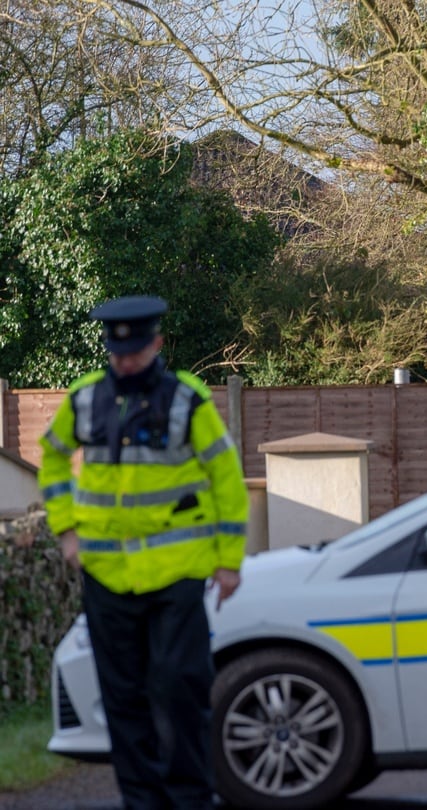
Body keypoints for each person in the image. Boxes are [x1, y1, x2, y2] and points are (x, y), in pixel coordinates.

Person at [38, 296, 248, 810]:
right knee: (123, 700)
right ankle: (142, 802)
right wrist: (66, 532)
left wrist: (228, 561)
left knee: (180, 690)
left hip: (176, 575)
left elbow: (226, 479)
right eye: (117, 350)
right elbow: (53, 457)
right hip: (107, 575)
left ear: (156, 343)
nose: (125, 359)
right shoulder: (85, 400)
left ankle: (191, 799)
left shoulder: (187, 400)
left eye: (135, 349)